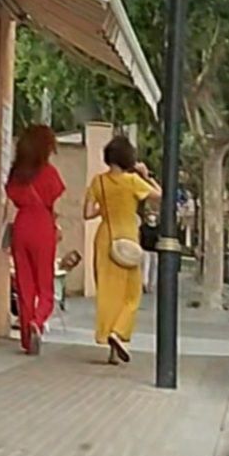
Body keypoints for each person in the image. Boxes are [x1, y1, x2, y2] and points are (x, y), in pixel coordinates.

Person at [84, 135, 161, 364]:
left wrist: (105, 209)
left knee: (108, 293)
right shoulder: (132, 182)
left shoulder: (98, 182)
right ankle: (118, 333)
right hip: (128, 239)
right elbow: (160, 196)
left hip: (105, 239)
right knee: (131, 294)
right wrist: (146, 176)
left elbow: (87, 213)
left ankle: (110, 341)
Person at [4, 125, 65, 355]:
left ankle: (27, 340)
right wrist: (56, 226)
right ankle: (37, 322)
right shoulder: (49, 173)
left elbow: (10, 200)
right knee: (45, 285)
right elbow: (54, 205)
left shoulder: (15, 173)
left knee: (25, 285)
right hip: (42, 225)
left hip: (22, 225)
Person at [139, 204, 159, 294]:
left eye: (154, 214)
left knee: (153, 269)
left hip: (155, 251)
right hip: (145, 250)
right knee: (145, 267)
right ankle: (145, 284)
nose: (152, 216)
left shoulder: (159, 228)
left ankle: (152, 285)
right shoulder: (143, 228)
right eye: (151, 214)